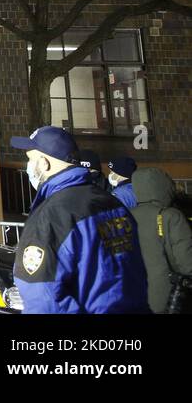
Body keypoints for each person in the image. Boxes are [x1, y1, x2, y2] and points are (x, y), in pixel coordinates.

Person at [10, 126, 148, 314]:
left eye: (30, 159)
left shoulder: (51, 217)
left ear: (44, 163)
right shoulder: (112, 203)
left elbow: (44, 300)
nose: (28, 166)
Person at [131, 167, 192, 313]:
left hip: (133, 295)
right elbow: (186, 263)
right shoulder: (171, 216)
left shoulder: (125, 215)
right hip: (165, 296)